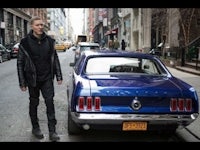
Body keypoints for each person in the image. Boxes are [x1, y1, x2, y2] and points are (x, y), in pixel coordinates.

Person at [17, 16, 63, 142]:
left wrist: (59, 76)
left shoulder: (49, 41)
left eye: (42, 25)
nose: (40, 27)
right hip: (32, 79)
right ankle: (35, 127)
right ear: (32, 26)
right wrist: (22, 82)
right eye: (37, 25)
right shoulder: (24, 43)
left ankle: (52, 131)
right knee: (34, 103)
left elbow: (55, 59)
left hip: (47, 77)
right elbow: (20, 63)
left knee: (50, 102)